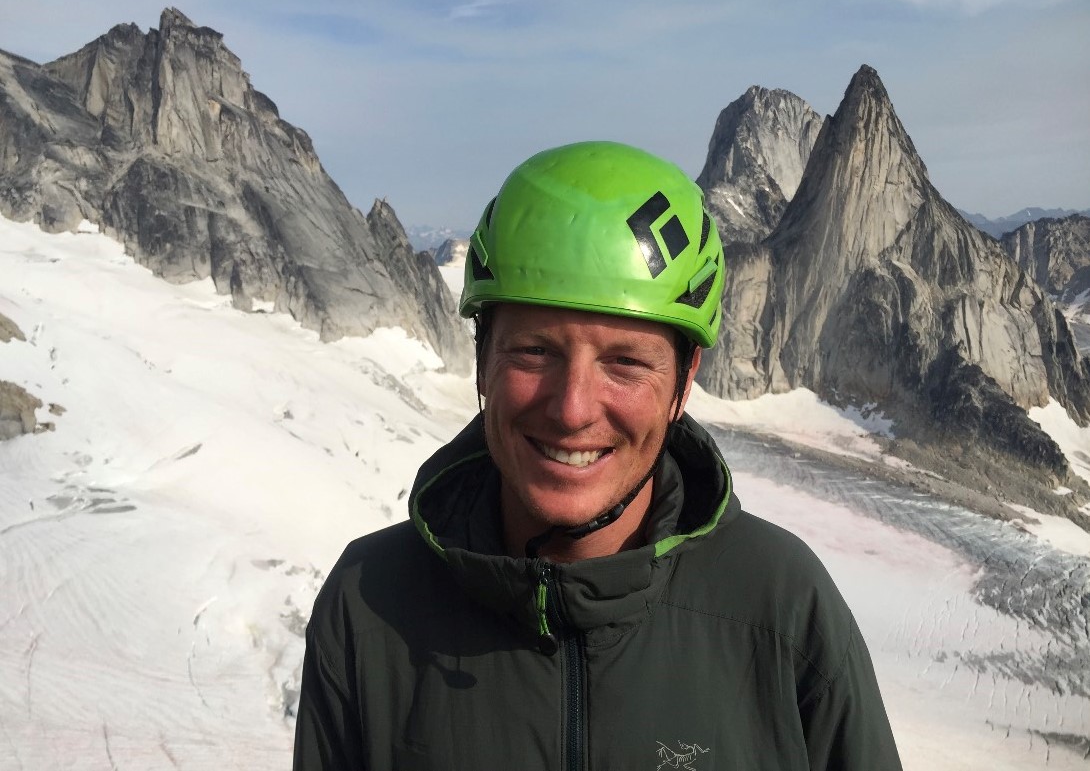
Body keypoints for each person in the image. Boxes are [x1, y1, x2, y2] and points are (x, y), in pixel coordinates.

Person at [293, 141, 903, 769]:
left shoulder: (781, 607)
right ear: (483, 360)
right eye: (534, 352)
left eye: (625, 363)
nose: (573, 409)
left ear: (683, 382)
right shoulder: (369, 603)